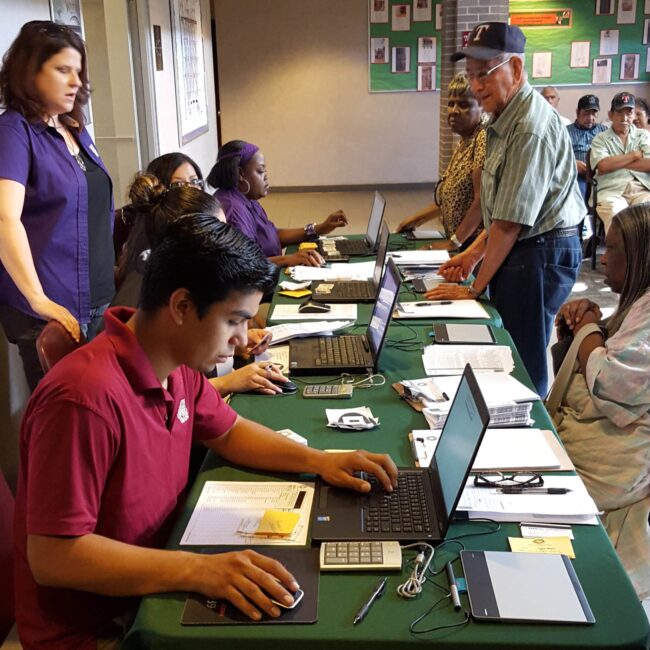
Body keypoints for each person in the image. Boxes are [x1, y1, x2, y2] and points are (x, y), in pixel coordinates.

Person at [13, 213, 398, 648]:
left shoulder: (176, 365)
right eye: (234, 320)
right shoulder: (83, 400)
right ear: (180, 306)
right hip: (100, 628)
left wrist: (320, 462)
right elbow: (54, 557)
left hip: (153, 572)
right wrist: (198, 570)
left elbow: (229, 432)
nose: (241, 339)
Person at [427, 22, 584, 397]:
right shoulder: (503, 119)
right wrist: (470, 256)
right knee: (509, 341)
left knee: (523, 356)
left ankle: (531, 428)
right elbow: (502, 213)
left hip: (541, 251)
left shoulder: (528, 126)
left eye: (485, 74)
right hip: (524, 246)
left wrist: (474, 288)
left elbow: (510, 224)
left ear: (515, 69)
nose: (477, 86)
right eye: (471, 76)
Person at [0, 21, 114, 391]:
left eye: (78, 72)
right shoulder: (14, 132)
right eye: (63, 70)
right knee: (67, 427)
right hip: (50, 310)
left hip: (97, 301)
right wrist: (38, 298)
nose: (76, 82)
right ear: (30, 72)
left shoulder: (74, 128)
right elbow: (4, 217)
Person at [551, 204, 650, 600]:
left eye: (612, 250)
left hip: (612, 471)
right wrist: (582, 328)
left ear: (641, 257)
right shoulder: (636, 303)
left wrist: (589, 327)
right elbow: (598, 352)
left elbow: (610, 383)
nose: (602, 258)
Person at [116, 173, 286, 396]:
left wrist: (228, 340)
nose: (226, 242)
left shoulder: (181, 335)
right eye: (217, 233)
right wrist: (229, 381)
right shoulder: (157, 320)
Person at [207, 140, 348, 267]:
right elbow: (244, 266)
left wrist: (318, 229)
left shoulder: (245, 198)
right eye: (260, 171)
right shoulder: (233, 209)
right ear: (241, 174)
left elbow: (273, 235)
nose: (266, 176)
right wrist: (286, 259)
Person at [395, 72, 487, 251]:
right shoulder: (464, 141)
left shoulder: (482, 139)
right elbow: (450, 199)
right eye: (451, 104)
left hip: (471, 248)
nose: (454, 110)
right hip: (460, 242)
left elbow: (481, 202)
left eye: (463, 104)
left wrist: (453, 243)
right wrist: (414, 220)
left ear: (481, 106)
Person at [114, 152, 204, 259]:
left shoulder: (207, 215)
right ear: (158, 189)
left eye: (194, 181)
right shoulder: (142, 228)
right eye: (178, 184)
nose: (190, 188)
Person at [590, 93, 650, 233]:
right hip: (611, 191)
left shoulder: (643, 136)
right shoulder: (600, 139)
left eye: (629, 114)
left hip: (640, 189)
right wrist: (634, 155)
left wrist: (616, 161)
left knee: (647, 213)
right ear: (610, 115)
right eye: (619, 113)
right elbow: (603, 166)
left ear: (634, 115)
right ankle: (621, 255)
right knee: (617, 218)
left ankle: (643, 255)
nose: (624, 118)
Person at [566, 94, 607, 201]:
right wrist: (572, 163)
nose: (590, 118)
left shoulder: (604, 130)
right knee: (578, 196)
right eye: (586, 113)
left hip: (602, 176)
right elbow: (557, 157)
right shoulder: (565, 132)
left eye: (593, 114)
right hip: (577, 176)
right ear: (577, 112)